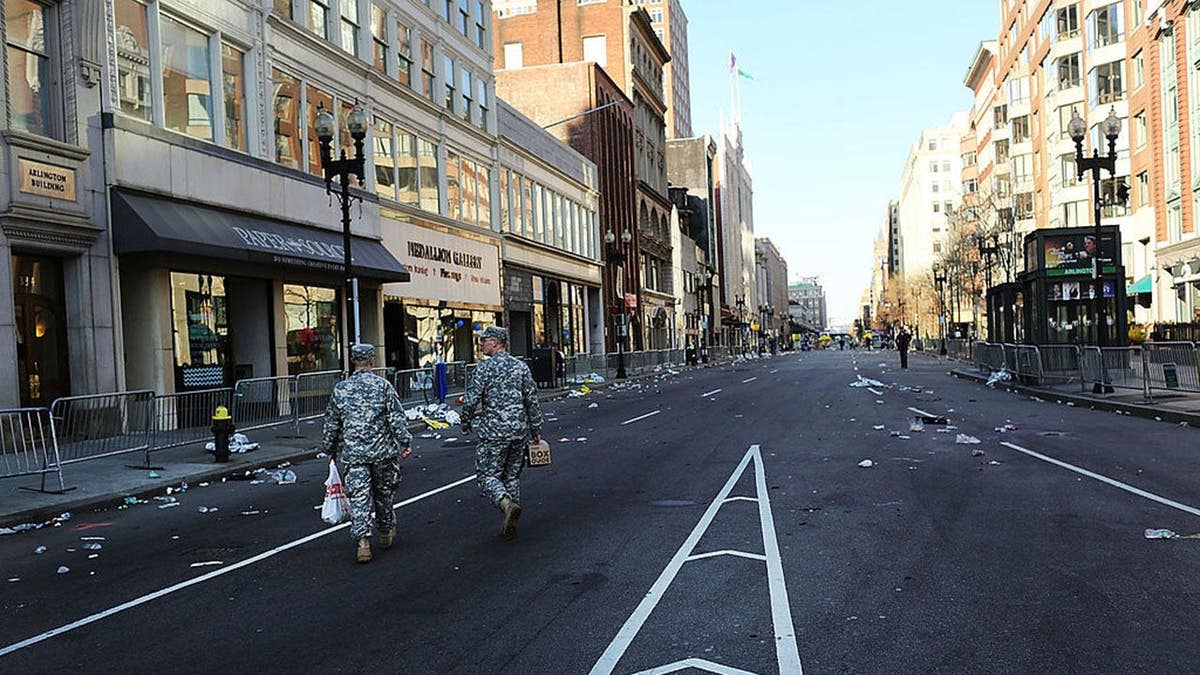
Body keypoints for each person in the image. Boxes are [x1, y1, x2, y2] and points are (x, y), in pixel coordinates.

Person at [320, 343, 412, 564]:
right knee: (383, 494)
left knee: (359, 498)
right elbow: (396, 418)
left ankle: (362, 542)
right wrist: (405, 442)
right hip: (382, 453)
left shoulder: (341, 389)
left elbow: (332, 423)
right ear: (372, 360)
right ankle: (386, 530)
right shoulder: (383, 386)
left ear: (353, 361)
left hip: (354, 454)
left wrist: (329, 449)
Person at [460, 326, 542, 540]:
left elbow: (471, 399)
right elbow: (531, 400)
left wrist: (465, 422)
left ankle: (506, 504)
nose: (481, 345)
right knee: (512, 475)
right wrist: (536, 429)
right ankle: (511, 518)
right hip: (518, 430)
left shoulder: (484, 368)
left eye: (484, 341)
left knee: (487, 475)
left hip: (494, 432)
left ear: (495, 342)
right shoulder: (521, 367)